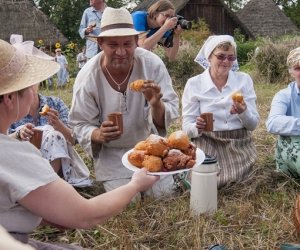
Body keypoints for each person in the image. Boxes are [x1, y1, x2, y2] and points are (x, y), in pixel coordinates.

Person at [0, 39, 158, 249]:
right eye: (29, 86)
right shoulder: (13, 153)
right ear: (10, 98)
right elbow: (86, 216)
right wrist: (135, 184)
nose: (33, 92)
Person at [69, 7, 179, 199]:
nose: (121, 52)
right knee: (128, 201)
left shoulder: (152, 65)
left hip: (150, 150)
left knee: (163, 195)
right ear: (101, 43)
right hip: (113, 155)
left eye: (127, 44)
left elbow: (170, 109)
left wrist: (156, 105)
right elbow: (79, 123)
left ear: (137, 41)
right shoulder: (87, 77)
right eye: (113, 45)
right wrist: (97, 133)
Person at [182, 35, 260, 188]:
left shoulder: (243, 80)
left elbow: (253, 125)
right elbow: (186, 128)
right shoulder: (194, 84)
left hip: (238, 141)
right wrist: (196, 127)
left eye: (231, 58)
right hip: (206, 140)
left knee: (236, 177)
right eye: (221, 56)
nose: (226, 62)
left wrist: (243, 112)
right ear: (209, 57)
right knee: (200, 177)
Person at [9, 83, 92, 187]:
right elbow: (4, 141)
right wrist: (18, 134)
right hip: (26, 163)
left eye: (33, 82)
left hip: (57, 165)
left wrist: (58, 125)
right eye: (26, 83)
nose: (30, 87)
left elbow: (73, 140)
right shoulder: (12, 108)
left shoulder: (55, 103)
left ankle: (47, 183)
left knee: (54, 135)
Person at [266, 47, 300, 178]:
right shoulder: (284, 95)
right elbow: (273, 123)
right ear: (291, 72)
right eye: (298, 69)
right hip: (292, 145)